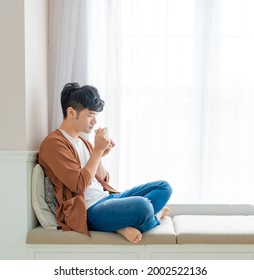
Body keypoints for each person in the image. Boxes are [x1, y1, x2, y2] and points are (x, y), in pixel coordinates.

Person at [39, 82, 172, 243]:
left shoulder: (83, 142)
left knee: (163, 187)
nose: (95, 121)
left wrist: (100, 154)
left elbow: (102, 180)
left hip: (106, 199)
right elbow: (79, 185)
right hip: (88, 210)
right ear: (71, 112)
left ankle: (124, 222)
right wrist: (97, 151)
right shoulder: (54, 144)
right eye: (90, 115)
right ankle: (148, 217)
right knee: (143, 206)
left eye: (96, 115)